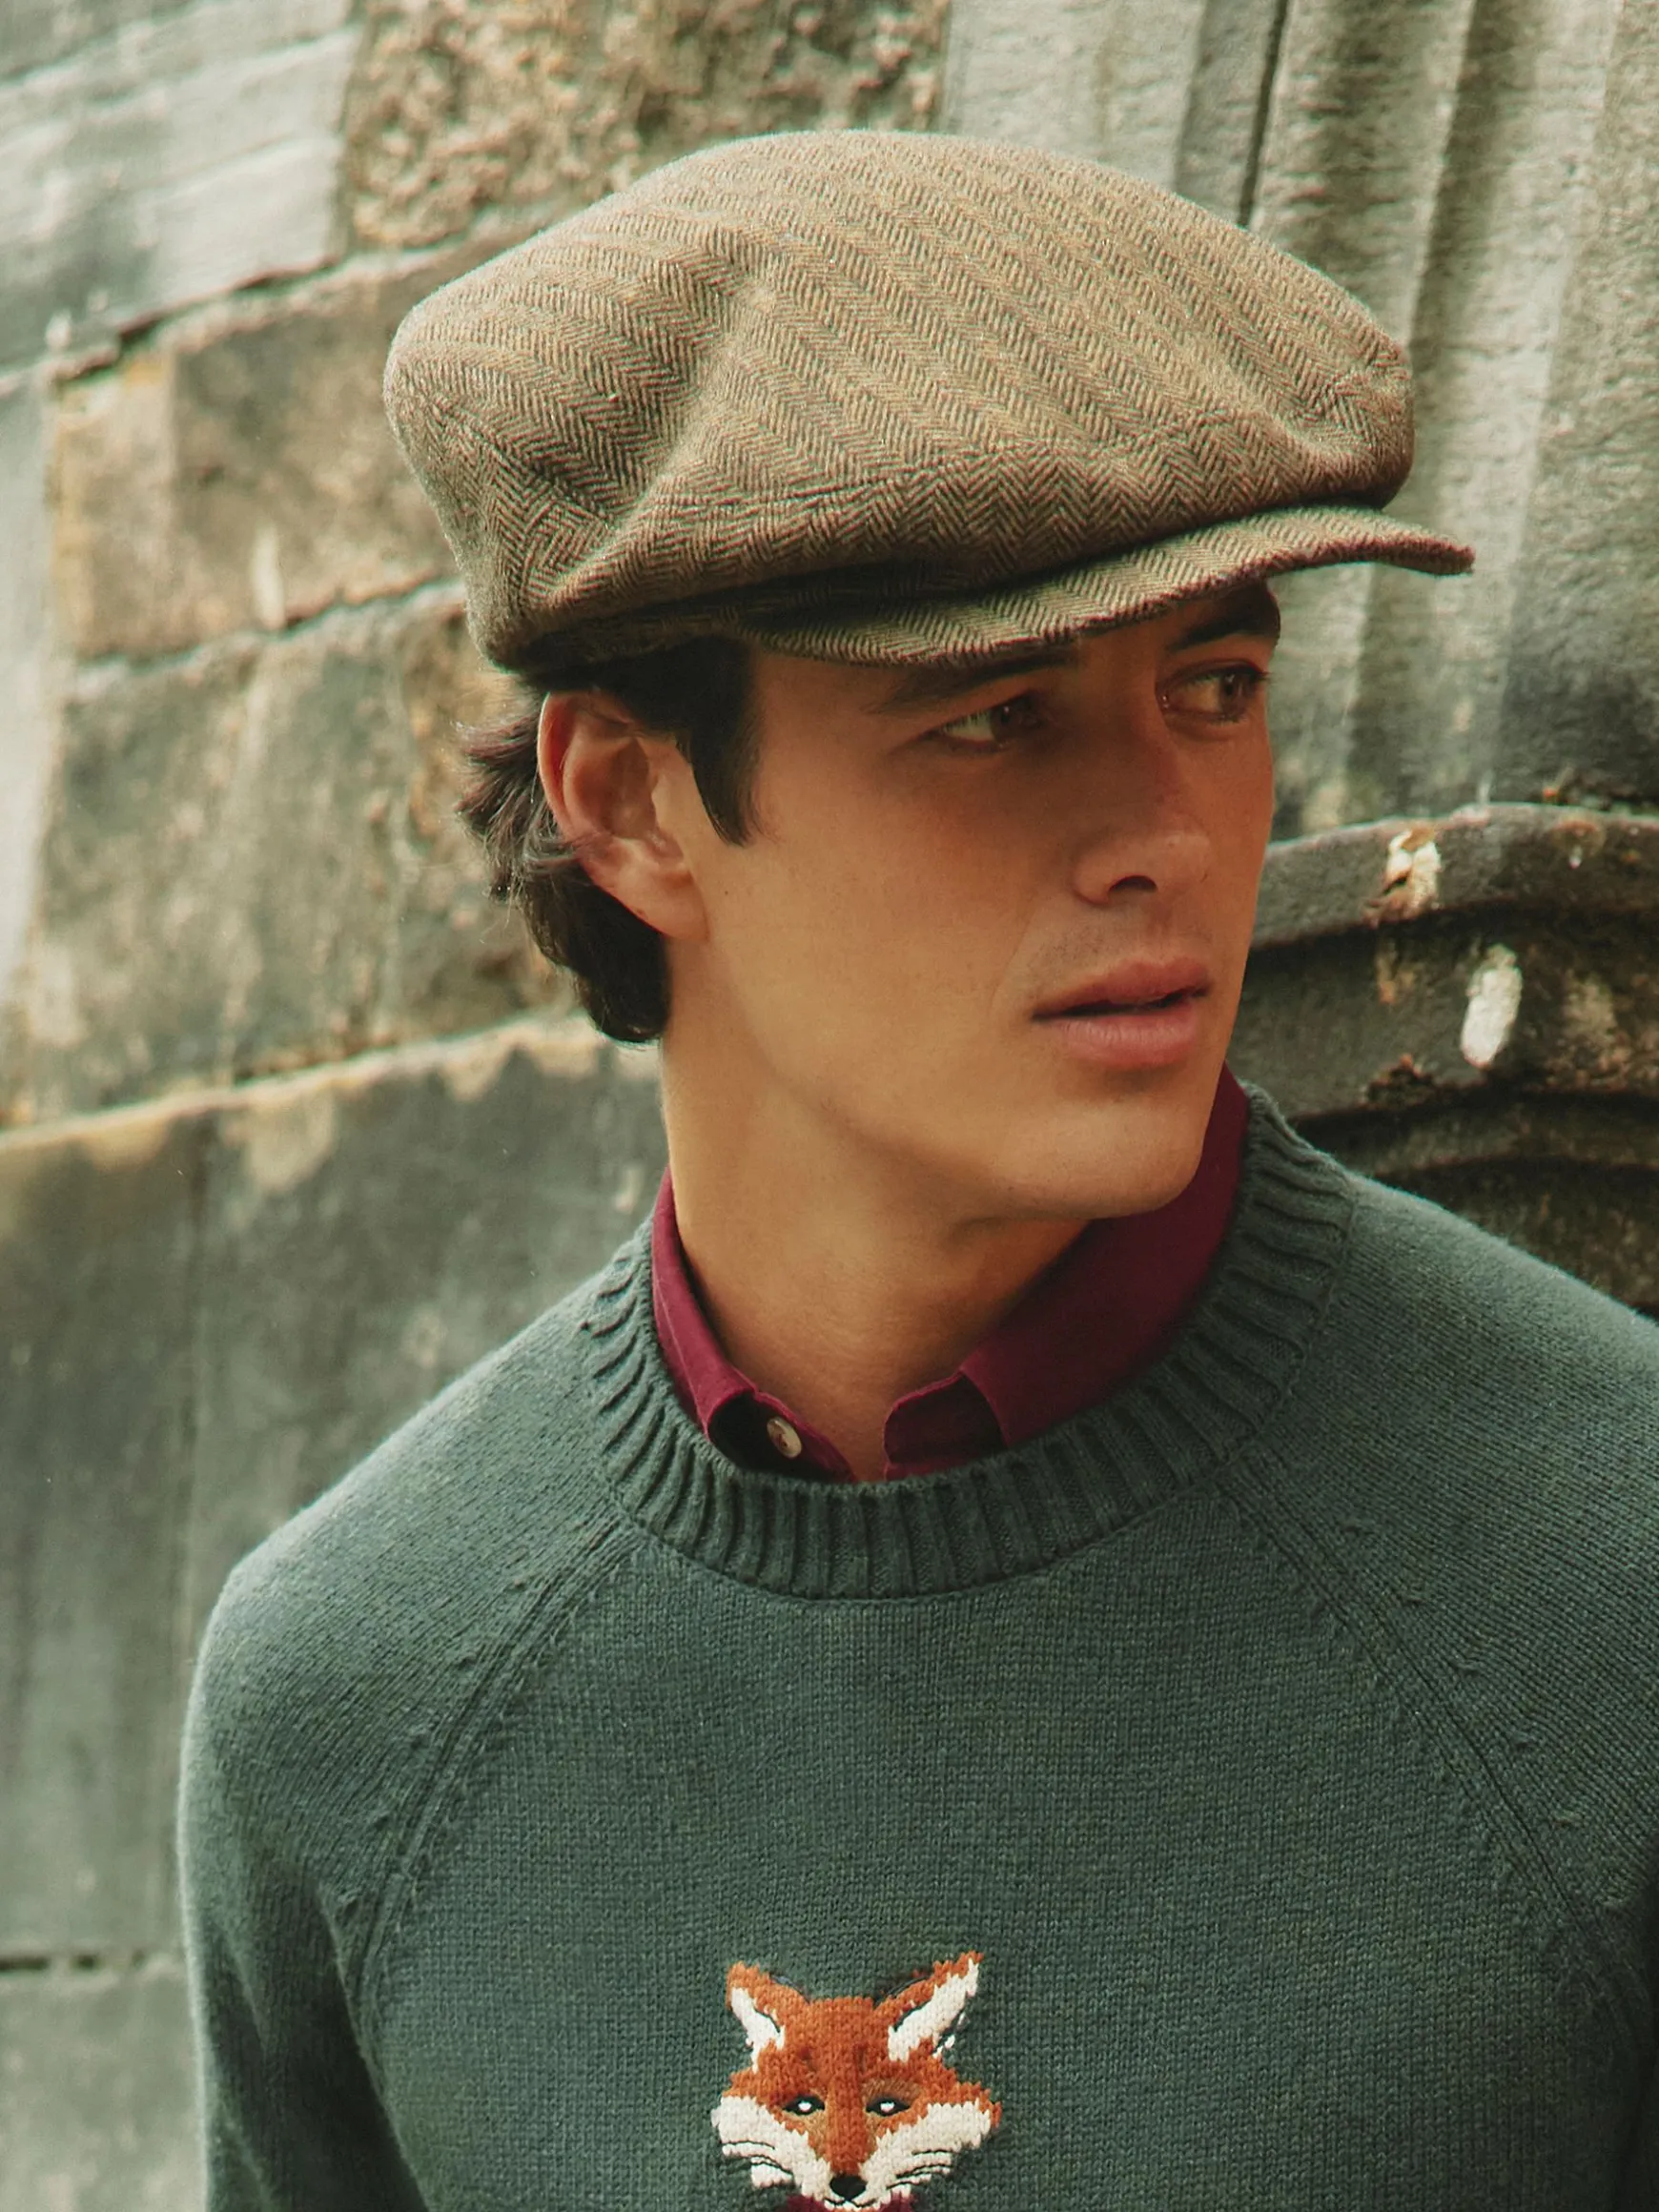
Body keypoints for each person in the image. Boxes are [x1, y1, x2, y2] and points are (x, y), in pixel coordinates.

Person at [178, 132, 1659, 2209]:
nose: (1167, 831)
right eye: (995, 718)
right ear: (633, 802)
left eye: (1217, 685)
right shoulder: (347, 1695)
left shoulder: (1612, 1580)